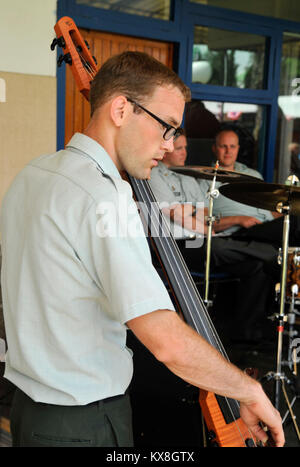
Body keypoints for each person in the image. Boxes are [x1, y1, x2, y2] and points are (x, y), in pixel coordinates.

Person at [0, 51, 284, 447]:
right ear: (120, 108)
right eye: (167, 127)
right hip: (85, 421)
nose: (170, 146)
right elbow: (164, 339)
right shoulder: (105, 197)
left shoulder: (32, 175)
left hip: (28, 411)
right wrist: (248, 390)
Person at [150, 131, 278, 344]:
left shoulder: (188, 175)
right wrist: (202, 224)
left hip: (200, 238)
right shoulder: (154, 174)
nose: (184, 152)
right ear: (166, 150)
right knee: (218, 247)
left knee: (255, 266)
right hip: (177, 245)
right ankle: (271, 254)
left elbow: (202, 212)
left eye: (185, 147)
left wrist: (193, 215)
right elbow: (174, 214)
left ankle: (243, 331)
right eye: (179, 148)